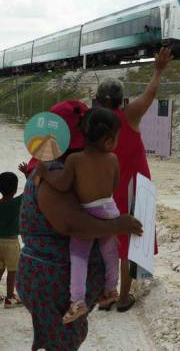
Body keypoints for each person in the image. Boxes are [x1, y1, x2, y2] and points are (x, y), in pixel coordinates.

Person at [16, 100, 143, 351]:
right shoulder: (55, 170)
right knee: (61, 342)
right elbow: (72, 225)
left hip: (53, 281)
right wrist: (118, 224)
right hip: (52, 283)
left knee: (61, 339)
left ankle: (108, 288)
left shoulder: (69, 166)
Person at [95, 46, 173, 311]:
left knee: (107, 240)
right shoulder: (128, 116)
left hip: (105, 186)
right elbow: (150, 94)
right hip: (134, 186)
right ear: (120, 99)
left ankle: (107, 293)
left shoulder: (94, 122)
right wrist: (158, 69)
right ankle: (124, 296)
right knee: (130, 242)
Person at [36, 108, 121, 323]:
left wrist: (45, 173)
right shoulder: (113, 159)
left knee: (79, 257)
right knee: (110, 251)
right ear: (109, 140)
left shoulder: (75, 159)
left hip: (89, 213)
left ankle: (77, 301)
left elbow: (63, 185)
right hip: (110, 210)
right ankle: (111, 289)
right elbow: (114, 185)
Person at [0, 172, 23, 308]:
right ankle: (9, 297)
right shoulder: (17, 202)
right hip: (12, 243)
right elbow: (28, 192)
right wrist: (26, 174)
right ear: (15, 189)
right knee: (12, 271)